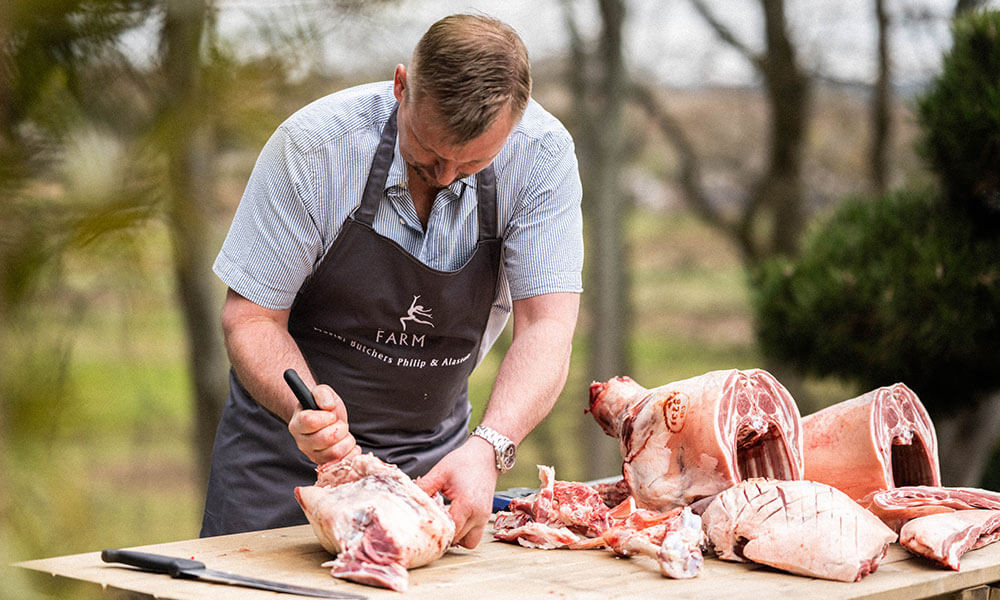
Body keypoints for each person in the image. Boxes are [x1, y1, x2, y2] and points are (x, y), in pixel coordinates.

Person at [200, 13, 583, 550]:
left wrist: (489, 448)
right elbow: (250, 318)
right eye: (428, 152)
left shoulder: (541, 156)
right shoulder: (313, 150)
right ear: (401, 86)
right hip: (284, 464)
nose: (447, 176)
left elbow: (548, 327)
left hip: (434, 473)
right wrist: (307, 412)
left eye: (472, 161)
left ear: (515, 125)